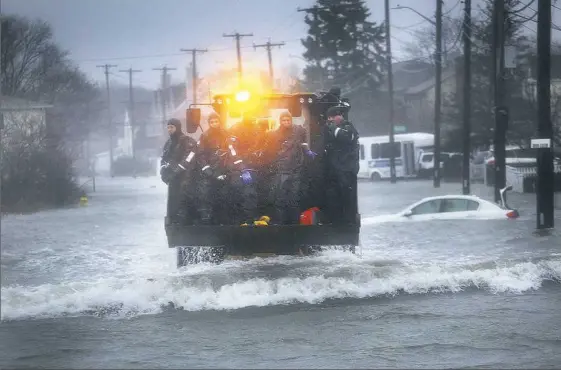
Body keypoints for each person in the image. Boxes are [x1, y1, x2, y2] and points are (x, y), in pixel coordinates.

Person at [266, 110, 317, 225]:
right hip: (282, 170)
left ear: (291, 120)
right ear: (280, 121)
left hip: (296, 169)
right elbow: (271, 151)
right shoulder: (275, 134)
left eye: (288, 120)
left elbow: (303, 143)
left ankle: (295, 223)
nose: (286, 122)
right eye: (283, 120)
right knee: (281, 197)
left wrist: (307, 151)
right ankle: (281, 222)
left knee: (294, 196)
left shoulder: (299, 130)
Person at [323, 105, 360, 225]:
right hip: (334, 170)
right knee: (333, 197)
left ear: (339, 116)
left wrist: (334, 128)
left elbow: (346, 138)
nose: (330, 120)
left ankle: (347, 223)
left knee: (347, 198)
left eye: (332, 117)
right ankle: (335, 221)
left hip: (346, 170)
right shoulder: (329, 130)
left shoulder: (348, 128)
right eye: (328, 118)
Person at [160, 118, 199, 225]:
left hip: (186, 178)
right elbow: (163, 158)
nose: (169, 130)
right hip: (173, 180)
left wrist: (177, 171)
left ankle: (186, 224)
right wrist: (163, 171)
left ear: (177, 127)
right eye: (168, 127)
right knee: (173, 202)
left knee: (184, 201)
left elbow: (189, 157)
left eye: (171, 127)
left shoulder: (187, 141)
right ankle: (173, 223)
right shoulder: (168, 143)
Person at [197, 112, 230, 224]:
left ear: (220, 122)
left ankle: (225, 220)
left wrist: (228, 170)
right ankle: (209, 220)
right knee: (207, 194)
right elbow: (201, 154)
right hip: (210, 170)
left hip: (225, 169)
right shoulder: (205, 136)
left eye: (216, 121)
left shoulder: (226, 134)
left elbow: (231, 151)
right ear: (209, 123)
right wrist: (207, 169)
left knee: (226, 195)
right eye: (212, 122)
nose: (214, 124)